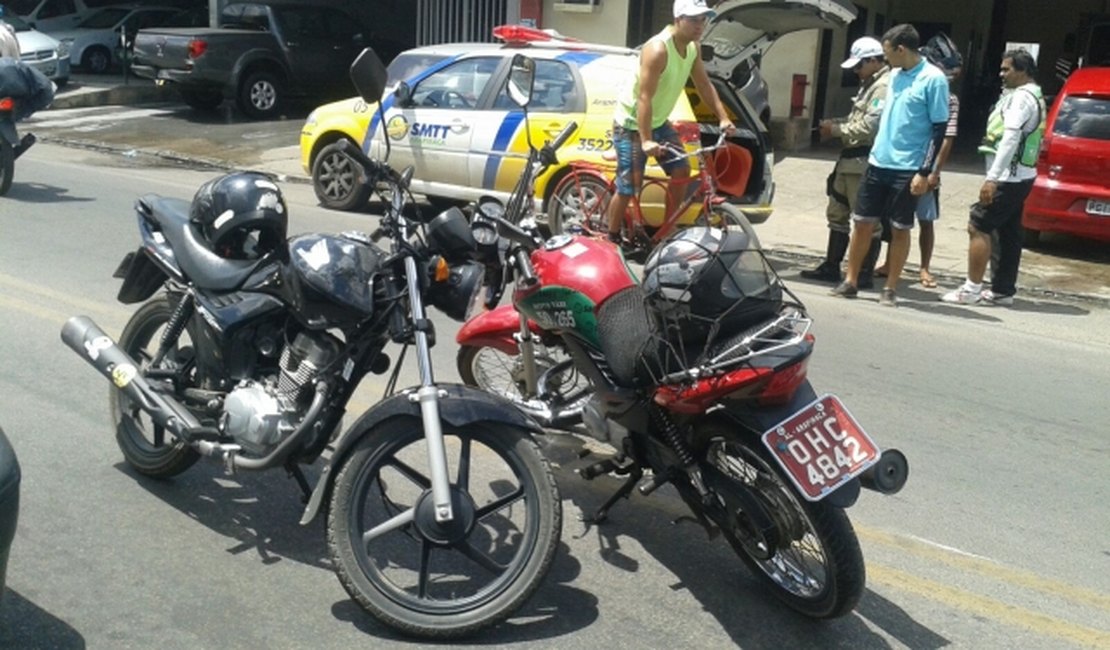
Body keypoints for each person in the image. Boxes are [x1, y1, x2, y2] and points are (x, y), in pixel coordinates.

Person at [831, 24, 949, 307]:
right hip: (877, 161)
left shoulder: (933, 79)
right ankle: (851, 280)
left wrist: (925, 171)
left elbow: (939, 128)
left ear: (901, 50)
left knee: (899, 228)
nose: (884, 60)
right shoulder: (894, 76)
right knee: (862, 223)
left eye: (887, 53)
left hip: (907, 167)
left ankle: (891, 288)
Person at [605, 0, 735, 244]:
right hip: (632, 125)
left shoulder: (693, 47)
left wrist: (723, 117)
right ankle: (611, 237)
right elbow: (644, 98)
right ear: (678, 19)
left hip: (658, 121)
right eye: (693, 20)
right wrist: (646, 141)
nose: (700, 25)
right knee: (629, 186)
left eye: (703, 19)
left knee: (681, 170)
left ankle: (666, 229)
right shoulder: (658, 50)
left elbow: (704, 84)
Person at [941, 49, 1044, 306]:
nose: (1001, 74)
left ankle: (972, 289)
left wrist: (992, 178)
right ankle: (1002, 290)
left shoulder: (1021, 99)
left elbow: (1010, 138)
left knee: (978, 225)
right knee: (1008, 233)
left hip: (1009, 177)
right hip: (1021, 175)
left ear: (1022, 71)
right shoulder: (1032, 95)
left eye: (1006, 69)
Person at [800, 36, 890, 286]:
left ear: (873, 60)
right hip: (849, 160)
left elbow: (870, 127)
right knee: (837, 213)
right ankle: (831, 266)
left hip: (863, 161)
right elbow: (856, 118)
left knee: (866, 220)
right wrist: (835, 123)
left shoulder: (882, 86)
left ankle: (862, 274)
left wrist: (837, 130)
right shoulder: (869, 83)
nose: (856, 71)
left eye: (858, 66)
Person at [875, 47, 962, 288]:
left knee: (925, 220)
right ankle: (889, 263)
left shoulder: (949, 98)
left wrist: (934, 171)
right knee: (897, 220)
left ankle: (925, 268)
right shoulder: (902, 82)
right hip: (902, 165)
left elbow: (946, 137)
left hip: (926, 168)